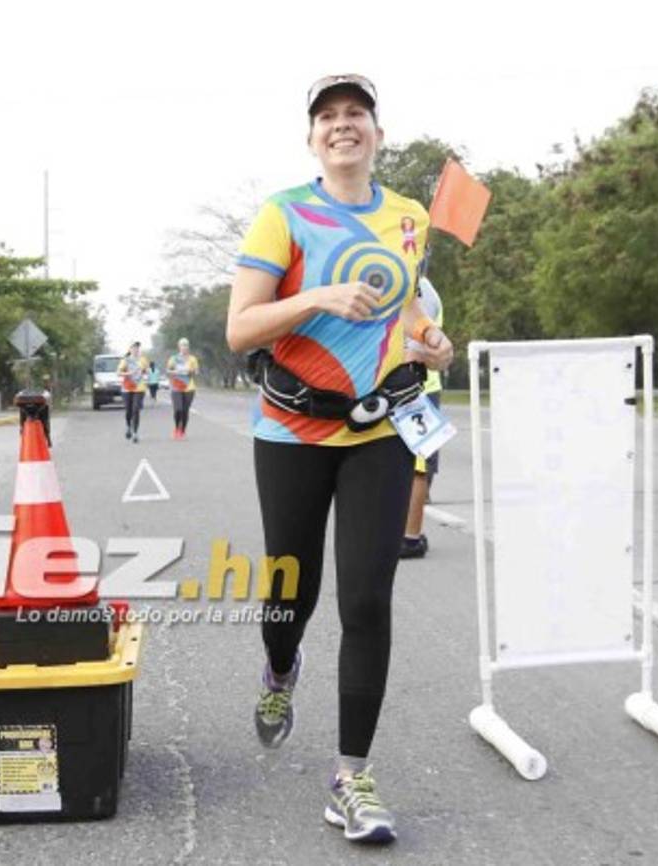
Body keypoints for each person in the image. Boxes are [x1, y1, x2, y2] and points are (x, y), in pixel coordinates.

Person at [225, 74, 452, 845]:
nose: (343, 125)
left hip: (381, 430)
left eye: (356, 114)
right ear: (313, 138)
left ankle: (351, 776)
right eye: (329, 117)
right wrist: (317, 298)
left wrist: (428, 337)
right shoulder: (283, 214)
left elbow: (408, 298)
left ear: (378, 134)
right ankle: (280, 671)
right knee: (293, 597)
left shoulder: (408, 215)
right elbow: (241, 328)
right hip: (292, 431)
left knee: (368, 601)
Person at [399, 276, 444, 559]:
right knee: (419, 466)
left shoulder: (399, 280)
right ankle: (410, 538)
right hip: (419, 388)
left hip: (407, 385)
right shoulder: (424, 289)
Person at [166, 337, 199, 440]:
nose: (184, 347)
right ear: (179, 347)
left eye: (186, 345)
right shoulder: (173, 358)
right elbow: (168, 371)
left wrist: (190, 371)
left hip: (189, 387)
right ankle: (177, 428)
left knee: (185, 410)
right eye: (182, 345)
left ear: (188, 347)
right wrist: (175, 372)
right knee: (178, 410)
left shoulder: (192, 359)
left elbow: (196, 372)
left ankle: (183, 430)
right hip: (176, 387)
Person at [117, 340, 149, 443]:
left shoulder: (143, 359)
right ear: (129, 349)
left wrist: (146, 372)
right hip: (127, 387)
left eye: (137, 347)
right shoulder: (125, 360)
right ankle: (128, 426)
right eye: (134, 347)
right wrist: (129, 373)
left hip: (139, 388)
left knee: (136, 410)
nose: (136, 349)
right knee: (129, 410)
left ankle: (135, 433)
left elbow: (147, 371)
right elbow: (118, 372)